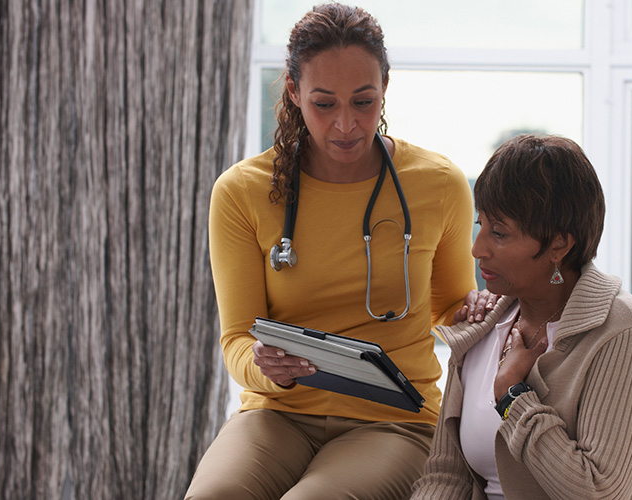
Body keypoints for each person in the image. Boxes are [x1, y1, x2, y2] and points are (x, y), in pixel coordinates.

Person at [185, 4, 495, 499]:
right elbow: (238, 338)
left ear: (385, 88)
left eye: (364, 101)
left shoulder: (438, 184)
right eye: (324, 104)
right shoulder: (242, 191)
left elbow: (448, 308)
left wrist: (474, 308)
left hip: (394, 420)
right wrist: (265, 363)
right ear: (294, 91)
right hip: (278, 412)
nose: (347, 124)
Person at [411, 134, 632, 500]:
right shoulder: (483, 326)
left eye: (500, 233)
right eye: (481, 226)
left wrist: (512, 396)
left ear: (559, 244)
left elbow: (596, 491)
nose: (477, 249)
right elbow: (445, 475)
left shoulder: (625, 330)